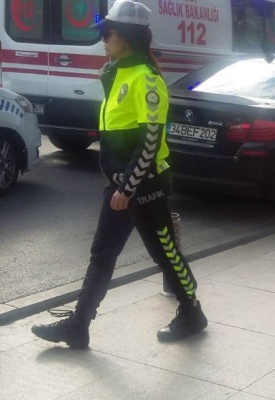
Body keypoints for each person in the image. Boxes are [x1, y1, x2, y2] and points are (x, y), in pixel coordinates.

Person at [30, 0, 207, 349]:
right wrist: (120, 184)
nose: (103, 41)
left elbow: (151, 141)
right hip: (119, 186)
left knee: (165, 253)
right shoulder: (119, 73)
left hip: (145, 185)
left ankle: (192, 312)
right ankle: (79, 325)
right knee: (102, 254)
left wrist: (129, 185)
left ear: (125, 37)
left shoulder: (147, 80)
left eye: (107, 34)